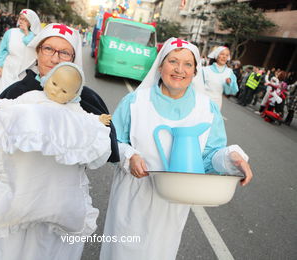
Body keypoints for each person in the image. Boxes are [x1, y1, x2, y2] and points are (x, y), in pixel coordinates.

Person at [0, 23, 120, 259]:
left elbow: (108, 146)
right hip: (19, 201)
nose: (54, 58)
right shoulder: (17, 92)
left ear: (73, 57)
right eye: (48, 48)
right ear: (37, 51)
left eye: (64, 52)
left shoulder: (87, 100)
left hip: (60, 206)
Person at [99, 37, 253, 260]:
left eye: (188, 64)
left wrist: (232, 158)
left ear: (194, 71)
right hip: (132, 197)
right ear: (160, 65)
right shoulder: (135, 102)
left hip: (173, 203)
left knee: (159, 253)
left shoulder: (206, 109)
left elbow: (210, 156)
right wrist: (129, 156)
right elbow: (111, 144)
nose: (179, 69)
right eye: (173, 61)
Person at [0, 62, 112, 125]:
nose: (56, 91)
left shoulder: (72, 107)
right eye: (54, 84)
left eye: (64, 91)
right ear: (47, 79)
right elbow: (14, 104)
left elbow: (84, 118)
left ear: (74, 96)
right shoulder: (34, 95)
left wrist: (98, 119)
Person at [0, 9, 41, 95]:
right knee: (4, 93)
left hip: (26, 71)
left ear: (31, 22)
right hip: (9, 69)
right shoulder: (10, 32)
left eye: (25, 20)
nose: (21, 21)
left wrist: (27, 32)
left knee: (19, 96)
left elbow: (32, 46)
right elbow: (3, 50)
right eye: (21, 18)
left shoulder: (36, 36)